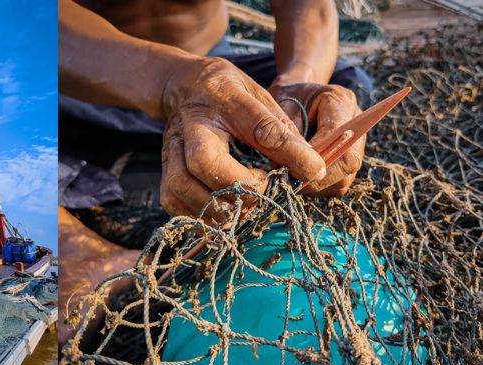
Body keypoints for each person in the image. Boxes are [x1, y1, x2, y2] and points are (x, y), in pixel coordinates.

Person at [58, 0, 373, 347]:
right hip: (74, 94)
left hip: (216, 69)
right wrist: (171, 81)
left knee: (342, 85)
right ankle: (77, 246)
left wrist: (294, 88)